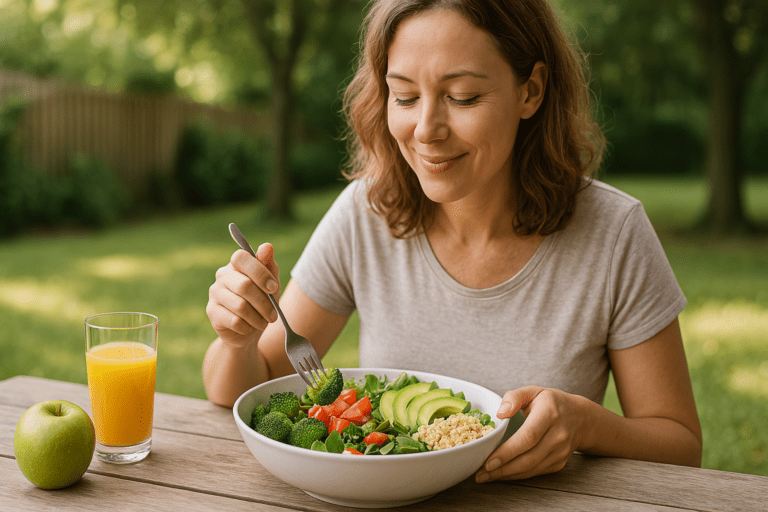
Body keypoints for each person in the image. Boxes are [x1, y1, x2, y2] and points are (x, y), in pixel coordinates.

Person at [203, 0, 702, 482]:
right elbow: (251, 382)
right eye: (403, 96)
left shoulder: (614, 233)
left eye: (462, 97)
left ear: (531, 90)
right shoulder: (365, 213)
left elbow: (680, 445)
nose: (425, 130)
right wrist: (237, 338)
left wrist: (587, 425)